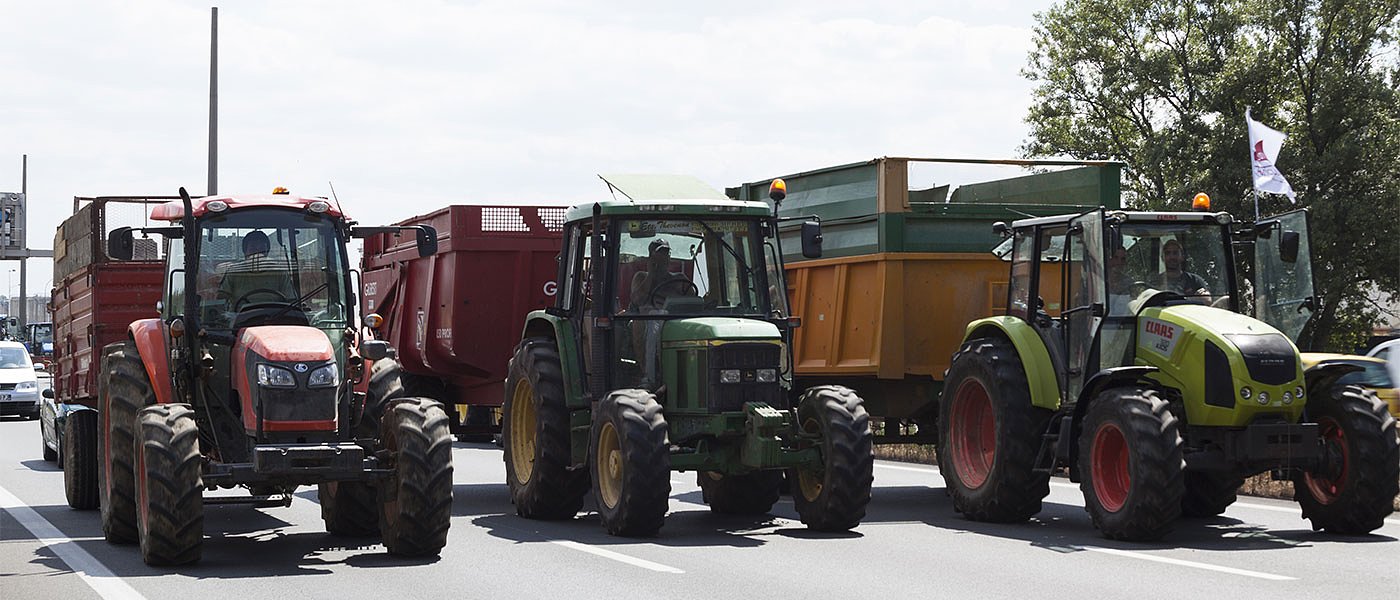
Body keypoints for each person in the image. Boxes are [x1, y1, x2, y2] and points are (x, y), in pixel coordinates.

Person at [217, 231, 295, 308]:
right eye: (253, 249)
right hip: (240, 319)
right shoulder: (234, 271)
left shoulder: (279, 272)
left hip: (275, 317)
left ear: (267, 252)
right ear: (245, 252)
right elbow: (221, 299)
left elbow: (291, 300)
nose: (257, 253)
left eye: (261, 249)